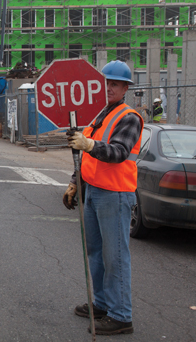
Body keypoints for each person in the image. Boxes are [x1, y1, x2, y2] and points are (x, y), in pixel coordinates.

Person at [63, 60, 143, 336]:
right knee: (96, 253)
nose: (109, 88)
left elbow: (118, 152)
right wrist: (75, 183)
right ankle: (102, 304)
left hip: (115, 194)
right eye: (106, 82)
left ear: (125, 88)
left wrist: (89, 143)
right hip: (94, 191)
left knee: (115, 256)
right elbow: (84, 156)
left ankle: (121, 316)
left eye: (116, 84)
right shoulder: (100, 115)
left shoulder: (128, 117)